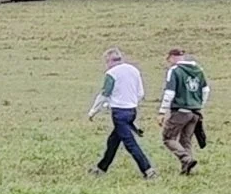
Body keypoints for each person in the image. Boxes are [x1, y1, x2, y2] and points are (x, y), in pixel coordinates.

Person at [88, 47, 157, 179]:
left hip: (119, 113)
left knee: (130, 144)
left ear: (109, 60)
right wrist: (130, 102)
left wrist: (93, 111)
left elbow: (104, 94)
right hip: (132, 111)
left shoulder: (112, 73)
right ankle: (101, 168)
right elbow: (140, 93)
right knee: (113, 141)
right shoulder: (134, 70)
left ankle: (148, 170)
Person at [158, 47, 210, 174]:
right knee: (185, 140)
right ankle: (187, 169)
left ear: (172, 57)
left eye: (169, 59)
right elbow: (206, 90)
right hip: (195, 112)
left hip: (180, 111)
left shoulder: (175, 70)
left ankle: (186, 159)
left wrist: (162, 111)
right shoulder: (198, 69)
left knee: (168, 138)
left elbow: (169, 93)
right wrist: (199, 105)